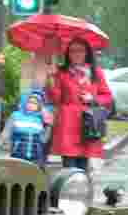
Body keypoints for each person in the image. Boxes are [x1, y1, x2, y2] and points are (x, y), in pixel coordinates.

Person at [46, 37, 113, 171]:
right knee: (69, 166)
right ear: (67, 54)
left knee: (83, 166)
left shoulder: (95, 72)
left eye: (80, 51)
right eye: (72, 51)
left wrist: (92, 98)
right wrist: (50, 81)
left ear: (87, 53)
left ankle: (82, 190)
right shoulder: (61, 73)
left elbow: (108, 97)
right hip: (68, 124)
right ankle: (68, 190)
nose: (76, 54)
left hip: (87, 123)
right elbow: (55, 99)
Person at [0, 90, 50, 168]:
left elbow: (43, 140)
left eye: (35, 103)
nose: (31, 105)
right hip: (18, 157)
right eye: (29, 102)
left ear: (39, 105)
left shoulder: (40, 119)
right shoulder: (16, 116)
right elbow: (5, 134)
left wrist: (49, 126)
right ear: (25, 102)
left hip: (34, 159)